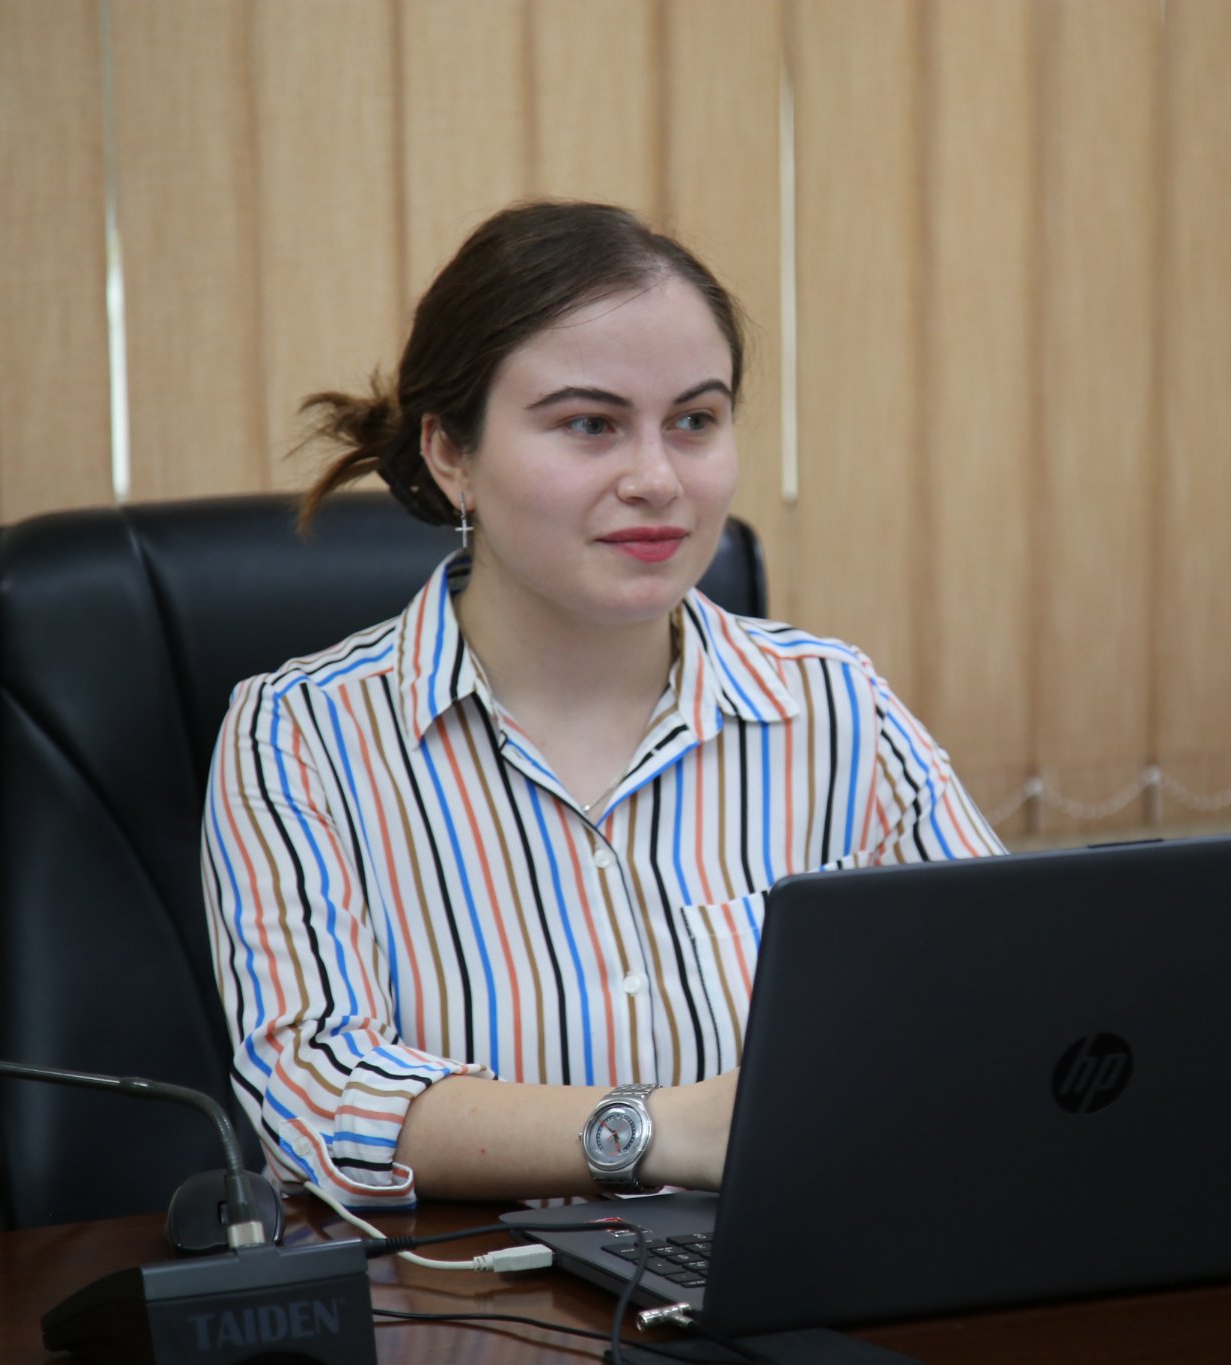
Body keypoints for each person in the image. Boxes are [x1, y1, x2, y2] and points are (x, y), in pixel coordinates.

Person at [201, 200, 1002, 1209]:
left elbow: (1006, 1000)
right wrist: (657, 1132)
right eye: (590, 425)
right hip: (469, 1288)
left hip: (798, 1261)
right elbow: (315, 1100)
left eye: (695, 421)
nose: (657, 480)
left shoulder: (834, 703)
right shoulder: (298, 737)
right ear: (451, 454)